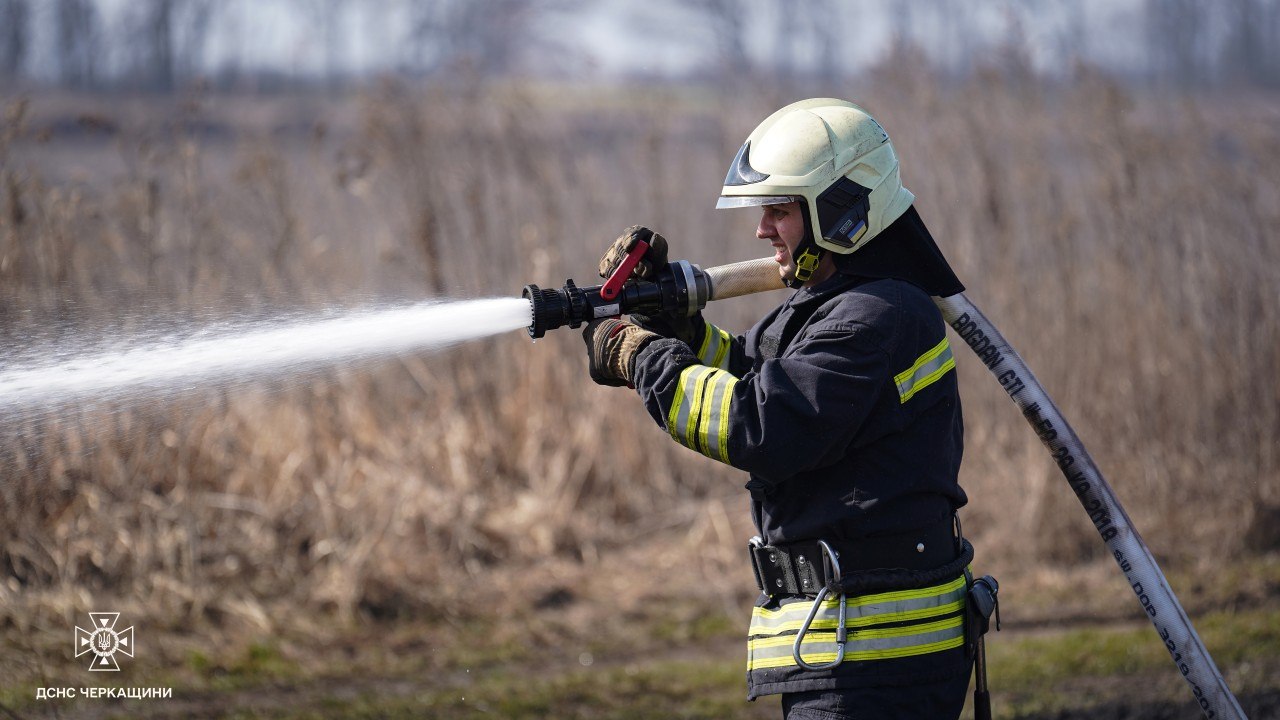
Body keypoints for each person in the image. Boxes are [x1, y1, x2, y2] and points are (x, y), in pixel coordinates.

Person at [583, 98, 981, 719]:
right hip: (850, 655)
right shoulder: (842, 305)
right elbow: (754, 373)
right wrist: (677, 329)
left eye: (780, 210)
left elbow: (759, 425)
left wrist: (642, 358)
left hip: (877, 664)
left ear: (841, 209)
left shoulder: (875, 318)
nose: (762, 230)